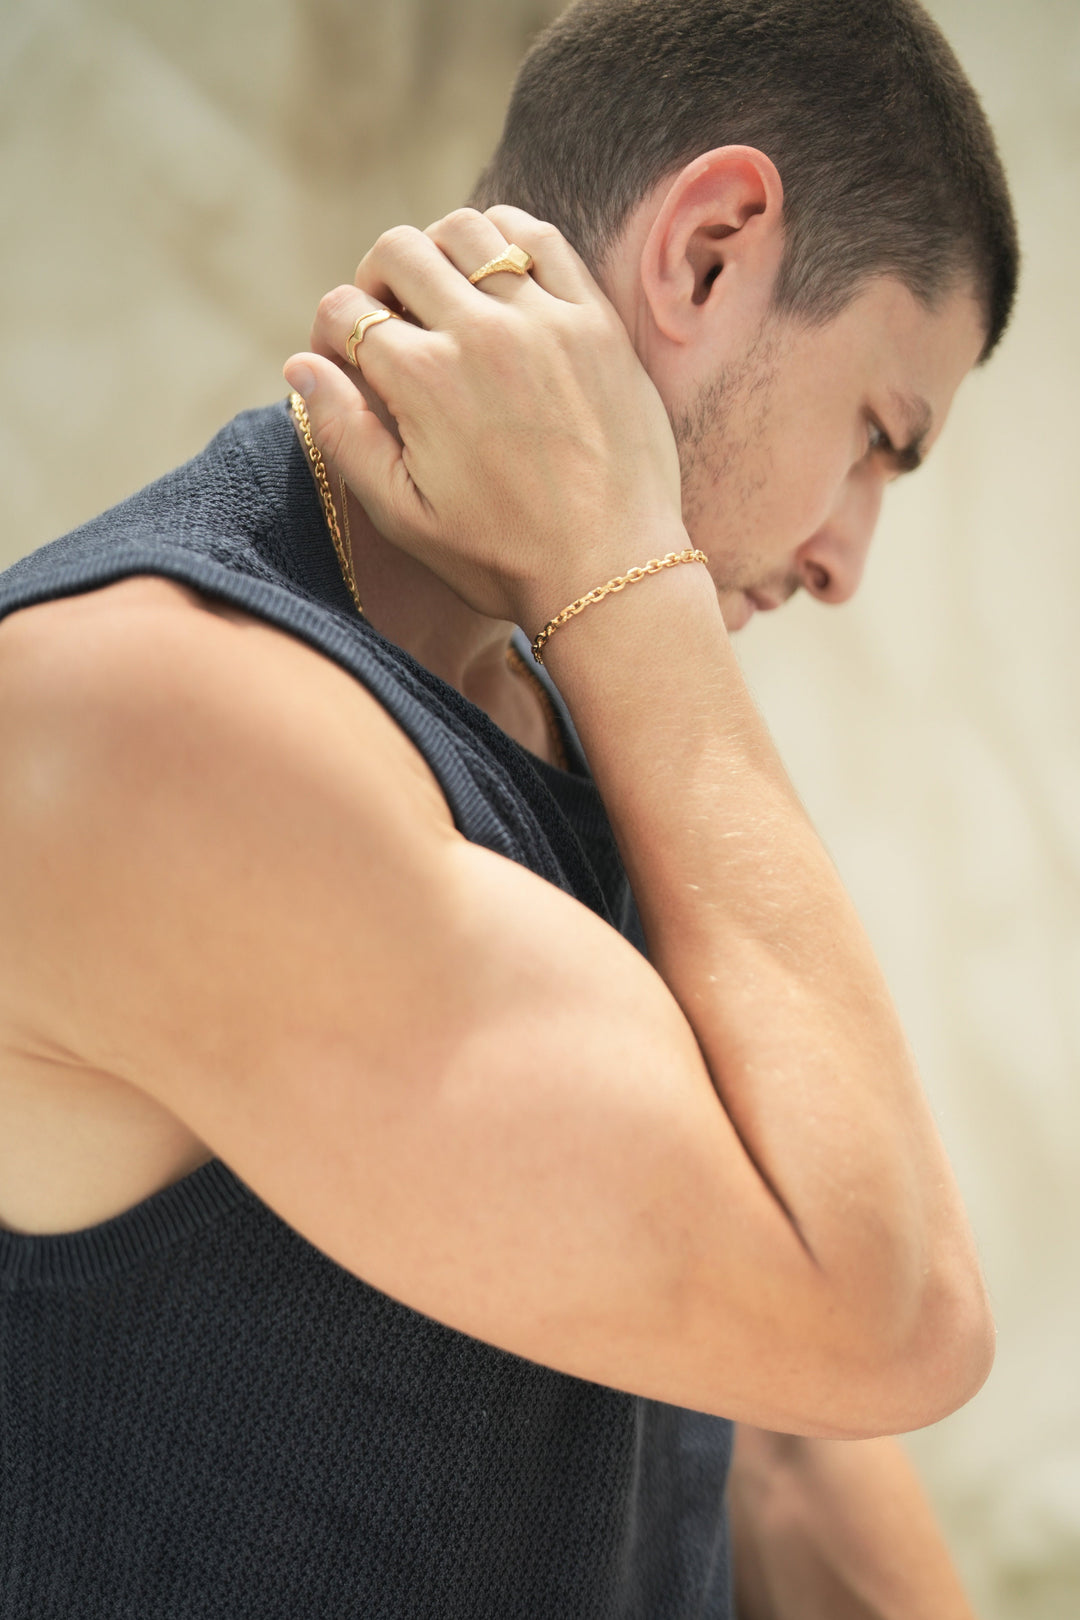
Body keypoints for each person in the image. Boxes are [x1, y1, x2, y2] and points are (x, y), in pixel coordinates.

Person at [0, 0, 1017, 1615]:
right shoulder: (156, 719)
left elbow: (773, 1439)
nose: (845, 558)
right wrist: (632, 574)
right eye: (875, 439)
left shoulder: (566, 687)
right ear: (710, 253)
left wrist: (620, 601)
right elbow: (887, 1317)